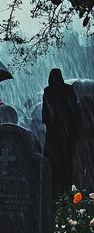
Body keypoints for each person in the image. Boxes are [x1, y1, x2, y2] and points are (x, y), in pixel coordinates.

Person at [42, 68, 80, 198]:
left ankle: (52, 193)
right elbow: (75, 113)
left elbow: (45, 117)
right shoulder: (69, 90)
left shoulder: (47, 92)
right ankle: (67, 191)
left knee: (53, 166)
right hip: (67, 135)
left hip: (53, 136)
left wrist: (53, 124)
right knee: (66, 165)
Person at [74, 95, 94, 190]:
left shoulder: (78, 109)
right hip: (90, 143)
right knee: (90, 167)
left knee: (80, 167)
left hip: (81, 143)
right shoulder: (91, 111)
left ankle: (81, 186)